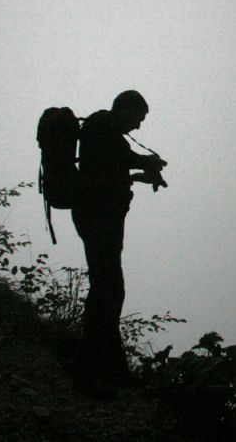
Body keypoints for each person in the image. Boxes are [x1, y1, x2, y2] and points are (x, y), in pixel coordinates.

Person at [71, 90, 167, 397]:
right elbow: (114, 159)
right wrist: (145, 160)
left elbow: (105, 169)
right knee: (107, 290)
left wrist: (140, 174)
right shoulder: (101, 127)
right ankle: (90, 372)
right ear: (124, 109)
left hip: (99, 217)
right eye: (138, 118)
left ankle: (108, 368)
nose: (138, 126)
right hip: (99, 218)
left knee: (107, 288)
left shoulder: (104, 131)